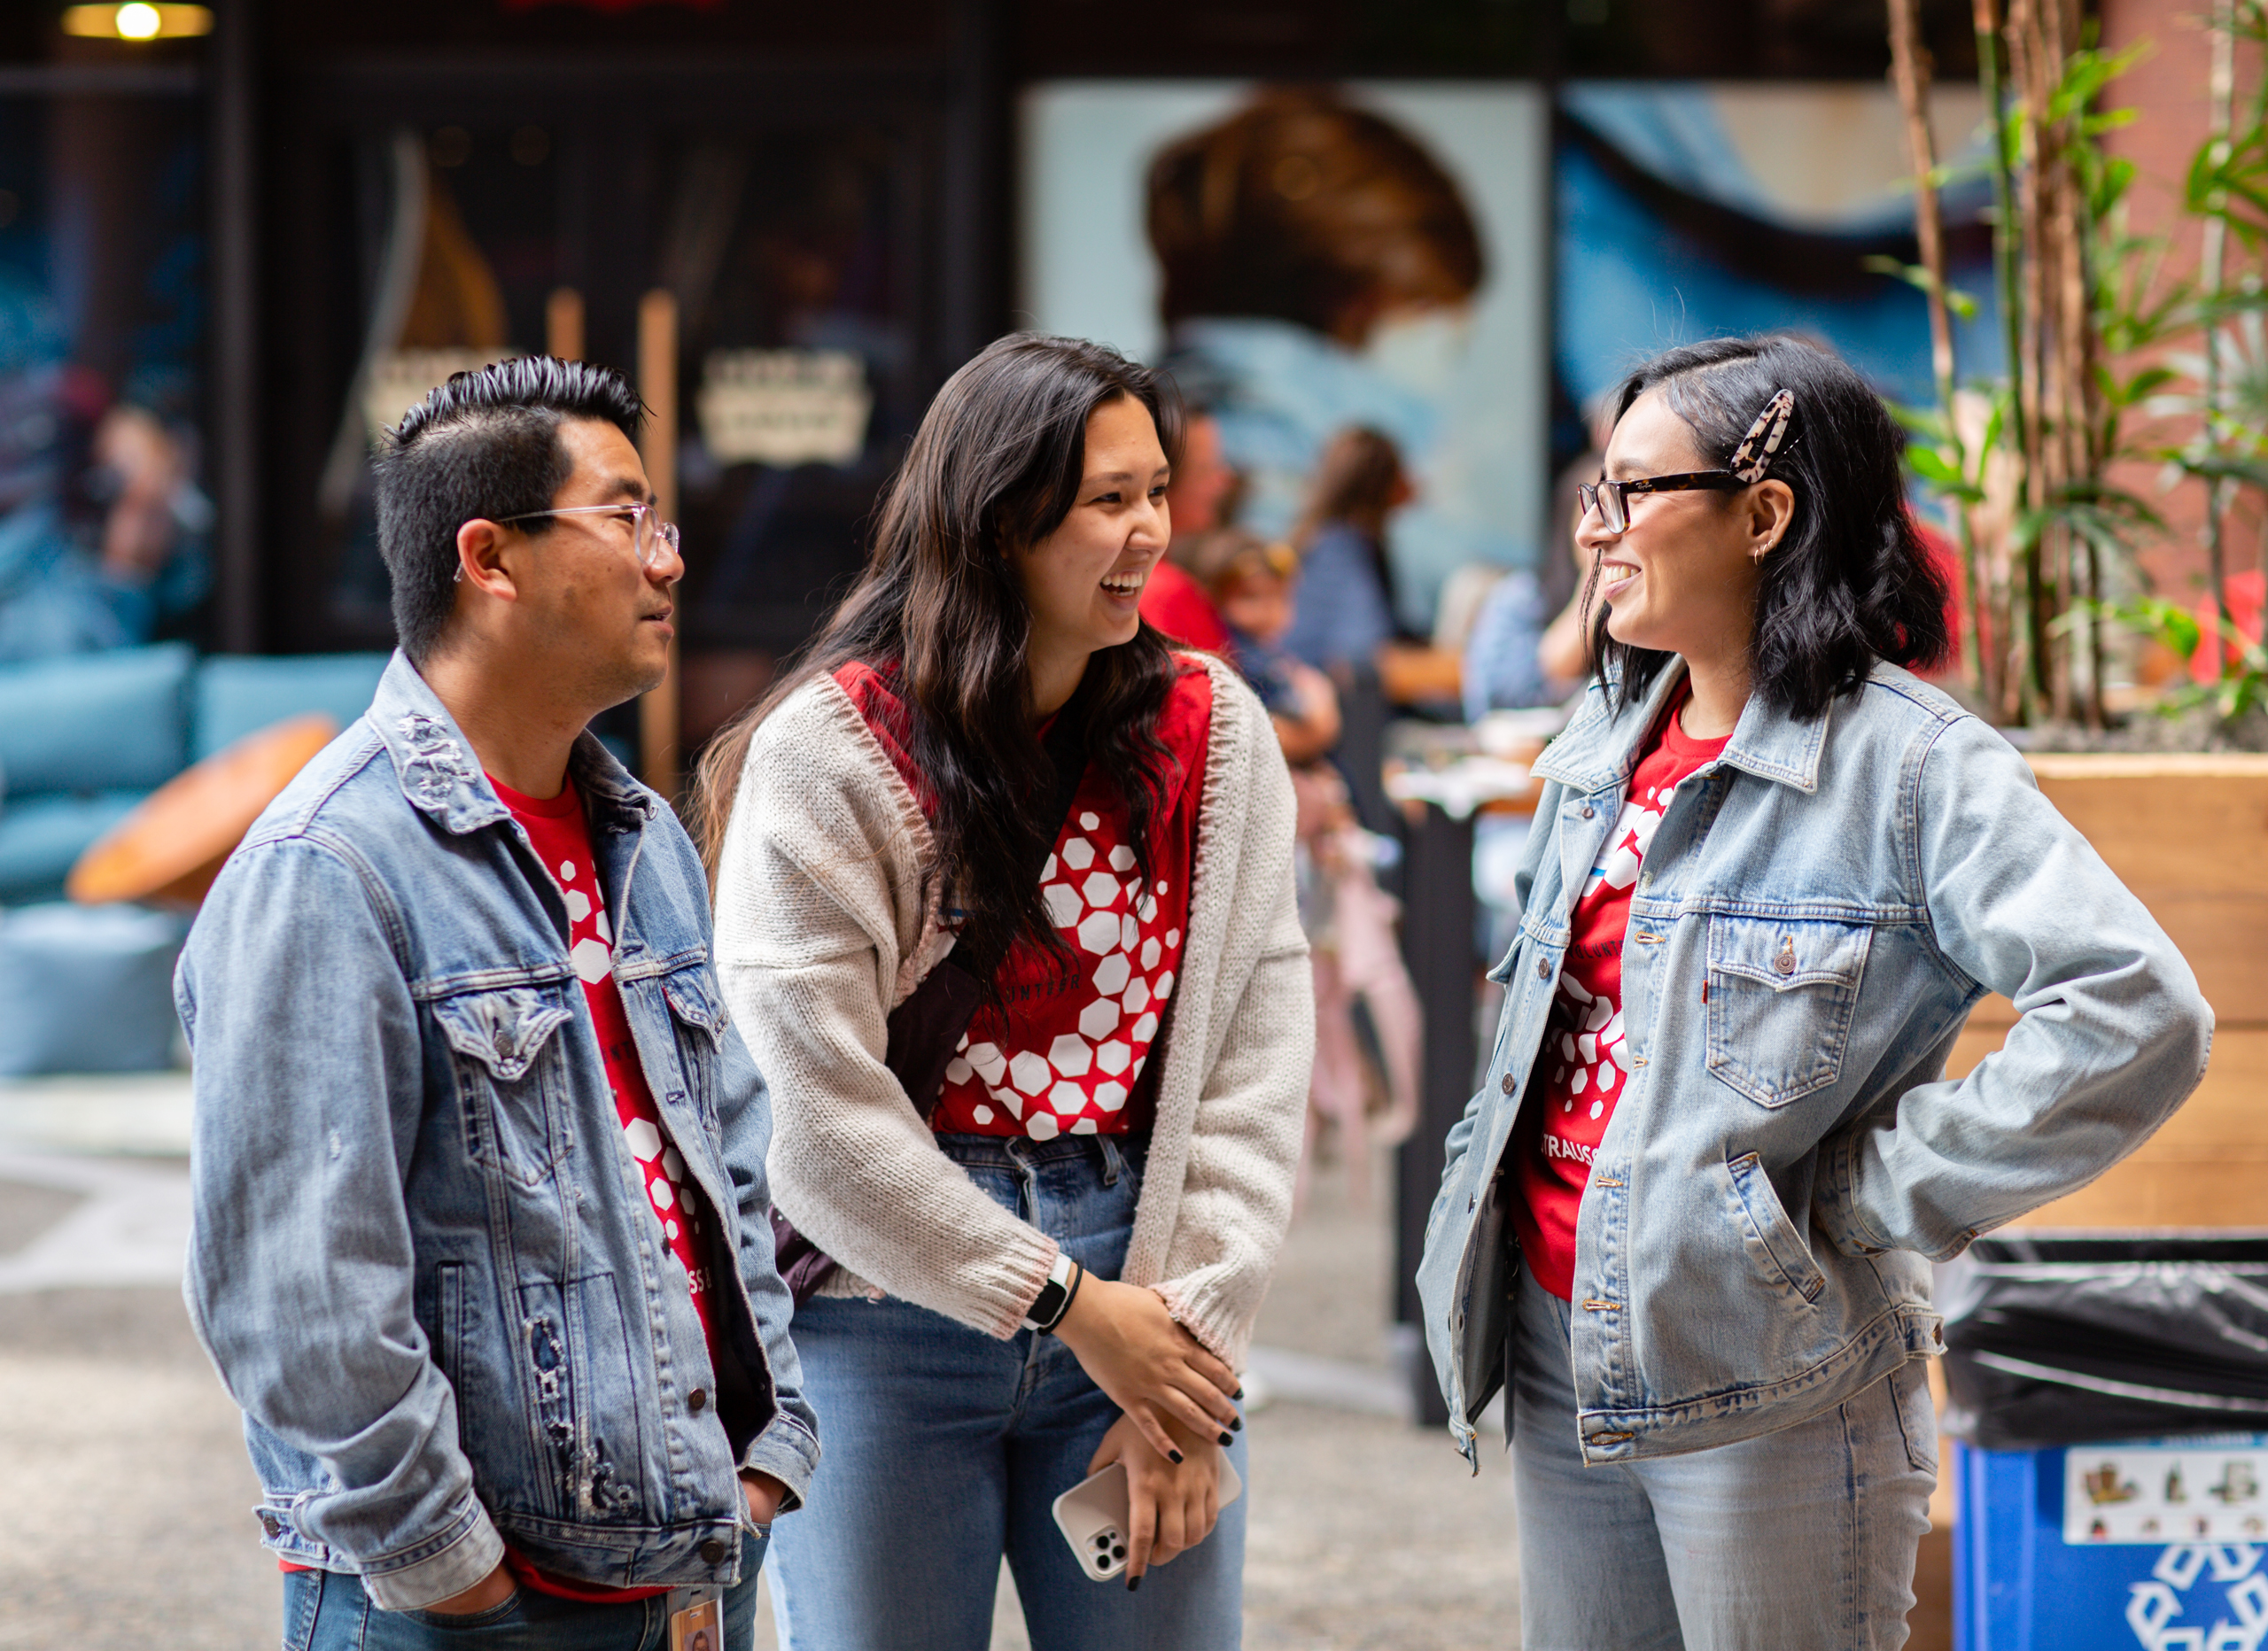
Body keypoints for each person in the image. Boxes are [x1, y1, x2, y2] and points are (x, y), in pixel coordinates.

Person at [1417, 335, 2214, 1650]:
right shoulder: (1607, 739)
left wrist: (1867, 1196)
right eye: (1591, 497)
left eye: (1629, 493)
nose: (1594, 533)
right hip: (1564, 1355)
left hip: (1776, 1384)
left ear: (1764, 514)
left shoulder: (1911, 768)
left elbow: (2137, 1010)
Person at [176, 356, 816, 1648]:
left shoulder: (647, 840)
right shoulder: (331, 867)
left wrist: (764, 1459)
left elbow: (730, 1168)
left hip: (690, 1570)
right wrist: (454, 1572)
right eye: (627, 516)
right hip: (469, 1611)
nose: (669, 560)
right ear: (491, 556)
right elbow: (300, 1289)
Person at [696, 332, 1311, 1650]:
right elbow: (803, 1107)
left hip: (1144, 1270)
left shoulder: (1213, 727)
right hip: (881, 1307)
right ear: (996, 520)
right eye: (1108, 501)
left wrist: (1182, 1367)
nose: (1148, 533)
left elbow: (1255, 1063)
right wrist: (1071, 1311)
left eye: (1157, 491)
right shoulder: (834, 750)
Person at [1138, 407, 1239, 653]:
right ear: (1160, 486)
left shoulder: (1167, 579)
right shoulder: (1160, 592)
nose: (1225, 479)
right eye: (1206, 470)